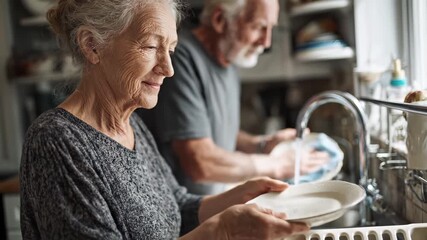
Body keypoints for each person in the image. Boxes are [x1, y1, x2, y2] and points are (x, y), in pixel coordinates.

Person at [19, 0, 309, 239]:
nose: (168, 69)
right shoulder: (56, 140)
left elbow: (177, 208)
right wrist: (221, 230)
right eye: (149, 46)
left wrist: (242, 194)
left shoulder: (134, 127)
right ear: (92, 45)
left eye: (170, 50)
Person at [139, 0, 330, 195]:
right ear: (220, 20)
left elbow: (213, 128)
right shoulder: (182, 58)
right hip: (183, 215)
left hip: (208, 204)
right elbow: (200, 162)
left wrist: (262, 145)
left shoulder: (229, 61)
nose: (266, 42)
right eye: (258, 27)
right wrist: (277, 165)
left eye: (271, 28)